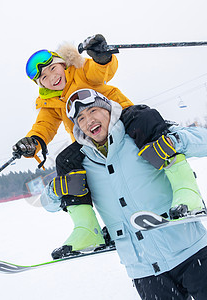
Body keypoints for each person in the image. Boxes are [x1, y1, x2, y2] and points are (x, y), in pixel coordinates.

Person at [40, 89, 207, 299]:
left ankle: (187, 196)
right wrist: (55, 189)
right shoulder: (79, 162)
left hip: (192, 253)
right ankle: (88, 231)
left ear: (109, 109)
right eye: (80, 118)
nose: (88, 120)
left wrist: (175, 141)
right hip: (145, 272)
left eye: (93, 111)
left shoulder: (141, 131)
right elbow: (48, 204)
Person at [13, 34, 133, 256]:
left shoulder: (80, 70)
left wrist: (101, 58)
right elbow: (44, 125)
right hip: (90, 140)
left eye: (52, 68)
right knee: (66, 160)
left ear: (62, 64)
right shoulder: (51, 102)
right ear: (41, 85)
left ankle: (183, 188)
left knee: (144, 122)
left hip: (121, 120)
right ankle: (88, 228)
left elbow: (101, 71)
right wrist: (34, 141)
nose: (51, 78)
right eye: (43, 78)